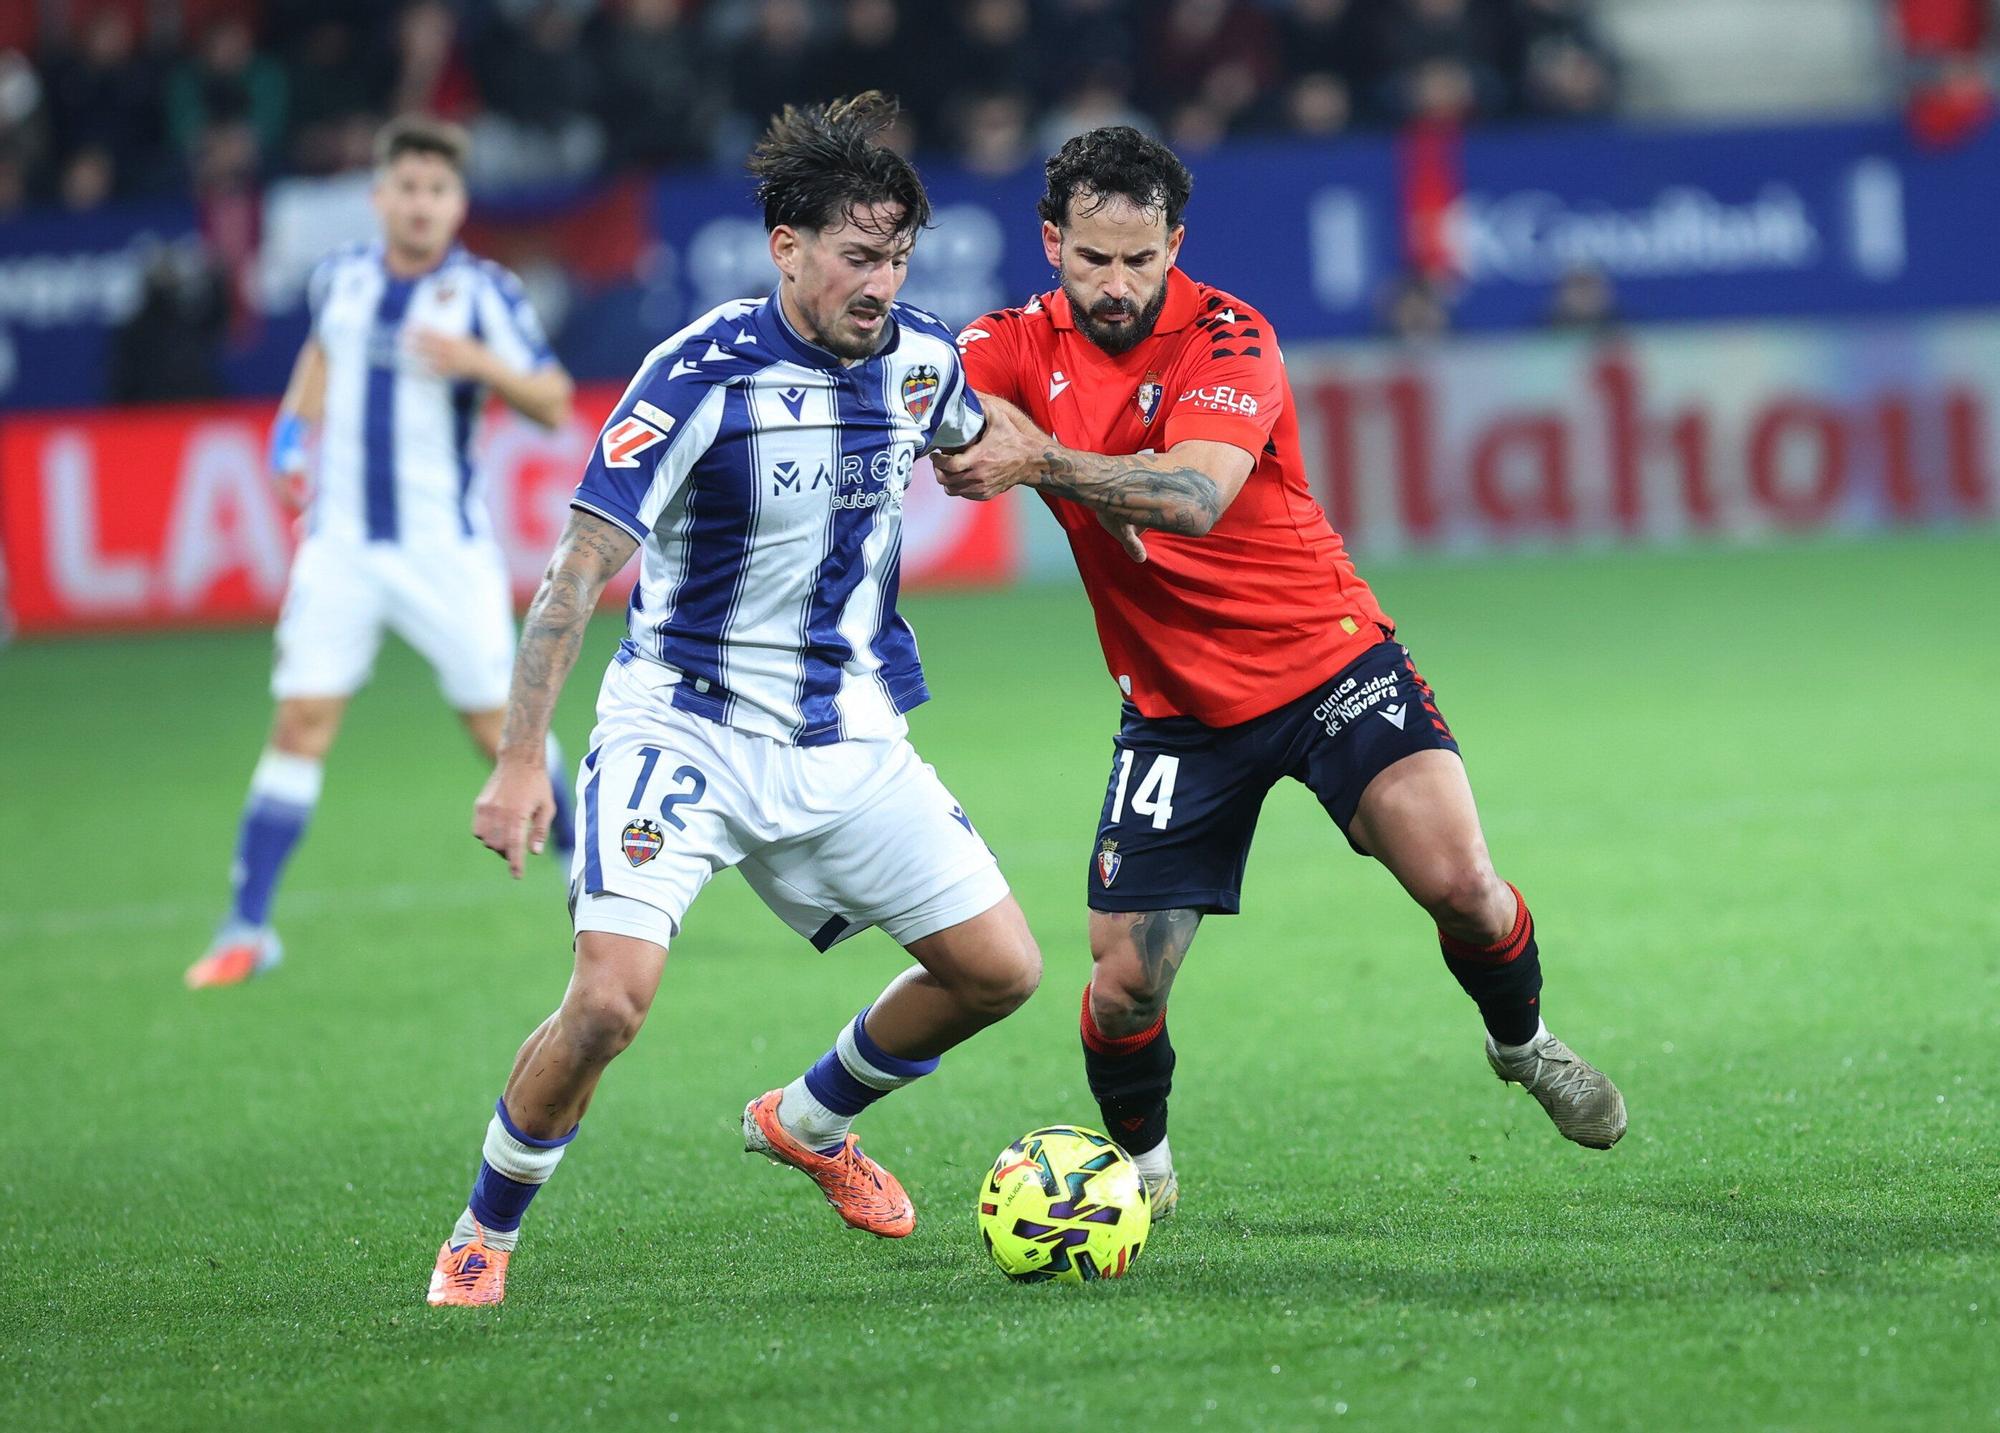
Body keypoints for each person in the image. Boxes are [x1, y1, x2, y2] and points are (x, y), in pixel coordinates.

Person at [934, 127, 1625, 1218]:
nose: (1116, 286)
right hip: (1174, 709)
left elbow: (1196, 496)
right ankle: (1143, 1179)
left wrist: (1041, 457)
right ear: (1049, 241)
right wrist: (988, 437)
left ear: (1174, 243)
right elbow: (939, 416)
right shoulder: (1008, 341)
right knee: (1121, 986)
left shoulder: (1227, 336)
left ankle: (1523, 1042)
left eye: (1139, 260)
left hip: (1326, 660)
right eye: (1091, 261)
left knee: (1460, 884)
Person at [425, 93, 1043, 1307]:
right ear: (787, 249)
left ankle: (807, 1120)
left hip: (849, 730)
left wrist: (1035, 458)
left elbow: (981, 441)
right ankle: (481, 1234)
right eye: (858, 256)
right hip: (685, 727)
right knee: (606, 1003)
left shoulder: (920, 360)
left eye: (898, 257)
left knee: (1001, 970)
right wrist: (514, 760)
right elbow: (576, 571)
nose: (882, 281)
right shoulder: (701, 373)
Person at [185, 117, 576, 989]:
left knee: (497, 731)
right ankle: (247, 925)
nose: (421, 204)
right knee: (300, 721)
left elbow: (551, 400)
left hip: (444, 548)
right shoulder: (343, 280)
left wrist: (481, 362)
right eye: (406, 188)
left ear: (457, 204)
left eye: (437, 191)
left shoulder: (485, 294)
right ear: (381, 197)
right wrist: (293, 432)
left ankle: (588, 882)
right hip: (342, 547)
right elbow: (322, 359)